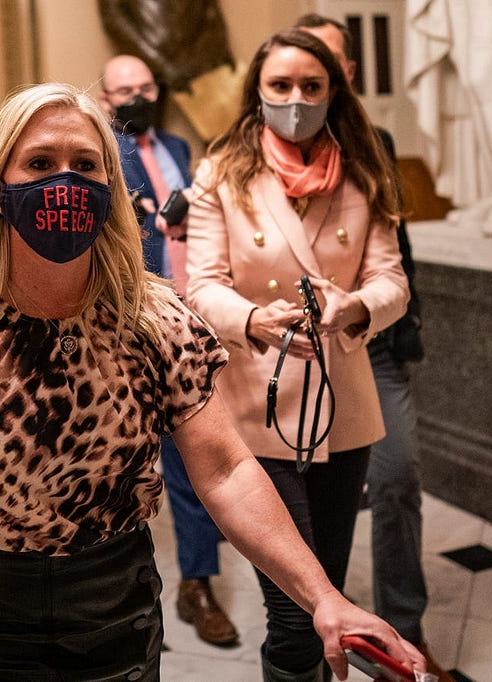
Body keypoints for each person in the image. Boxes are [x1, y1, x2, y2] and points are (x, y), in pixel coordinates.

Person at [0, 81, 424, 681]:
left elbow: (225, 470)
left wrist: (322, 596)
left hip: (116, 605)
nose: (64, 181)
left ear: (110, 189)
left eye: (85, 165)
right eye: (40, 163)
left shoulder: (156, 321)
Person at [184, 30, 412, 681]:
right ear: (257, 91)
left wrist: (355, 307)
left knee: (328, 592)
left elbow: (393, 280)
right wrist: (255, 318)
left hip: (342, 406)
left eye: (312, 87)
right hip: (257, 408)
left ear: (334, 91)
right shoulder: (222, 174)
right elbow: (200, 286)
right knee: (293, 611)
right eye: (280, 86)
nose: (295, 100)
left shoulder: (364, 172)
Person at [295, 14, 451, 681]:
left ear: (347, 75)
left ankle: (401, 643)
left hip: (372, 344)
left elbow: (397, 255)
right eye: (301, 74)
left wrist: (382, 312)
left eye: (327, 70)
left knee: (397, 479)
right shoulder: (259, 148)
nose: (313, 89)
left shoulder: (376, 143)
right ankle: (305, 637)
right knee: (305, 507)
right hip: (296, 356)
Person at [99, 54, 239, 648]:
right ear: (106, 99)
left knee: (202, 455)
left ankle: (196, 572)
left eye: (145, 87)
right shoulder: (104, 151)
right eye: (124, 90)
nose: (137, 97)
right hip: (139, 323)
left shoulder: (180, 147)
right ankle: (191, 585)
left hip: (199, 315)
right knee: (176, 463)